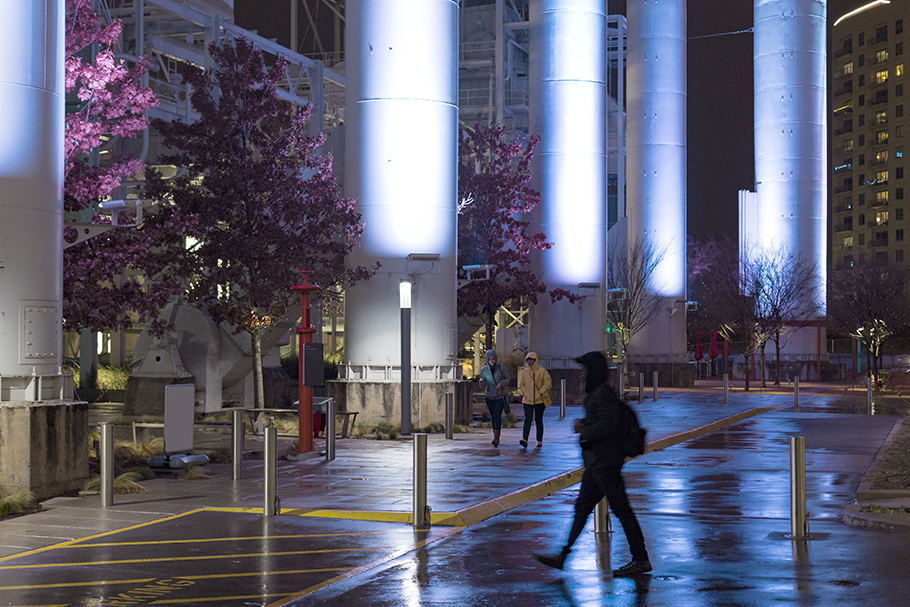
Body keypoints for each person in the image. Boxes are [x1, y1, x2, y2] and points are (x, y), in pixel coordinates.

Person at [533, 351, 651, 577]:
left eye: (584, 369)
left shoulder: (602, 394)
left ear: (593, 371)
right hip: (597, 464)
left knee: (622, 511)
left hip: (605, 464)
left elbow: (608, 425)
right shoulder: (598, 394)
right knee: (582, 509)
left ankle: (641, 559)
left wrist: (583, 428)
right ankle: (563, 555)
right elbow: (603, 422)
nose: (581, 374)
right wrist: (586, 422)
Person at [518, 352, 551, 448]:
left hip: (539, 401)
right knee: (527, 420)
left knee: (538, 420)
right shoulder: (525, 372)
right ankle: (525, 439)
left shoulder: (542, 371)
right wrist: (525, 393)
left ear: (535, 360)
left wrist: (541, 392)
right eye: (528, 360)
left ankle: (539, 440)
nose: (529, 361)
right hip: (527, 400)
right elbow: (522, 384)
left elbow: (547, 383)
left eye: (531, 359)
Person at [479, 349, 510, 447]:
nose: (492, 361)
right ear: (487, 360)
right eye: (490, 359)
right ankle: (495, 435)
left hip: (500, 396)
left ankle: (497, 437)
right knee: (493, 417)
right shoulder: (484, 370)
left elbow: (508, 378)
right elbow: (482, 385)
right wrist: (482, 383)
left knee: (497, 416)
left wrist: (501, 383)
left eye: (493, 359)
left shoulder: (501, 367)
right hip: (489, 396)